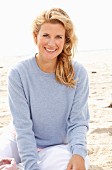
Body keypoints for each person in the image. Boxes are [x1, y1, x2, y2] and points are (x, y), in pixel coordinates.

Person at [0, 8, 90, 170]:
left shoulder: (78, 73)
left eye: (58, 37)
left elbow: (78, 121)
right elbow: (22, 126)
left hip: (58, 146)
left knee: (75, 162)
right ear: (36, 36)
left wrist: (78, 153)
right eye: (46, 35)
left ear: (65, 40)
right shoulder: (18, 73)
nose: (51, 43)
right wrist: (31, 166)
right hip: (20, 139)